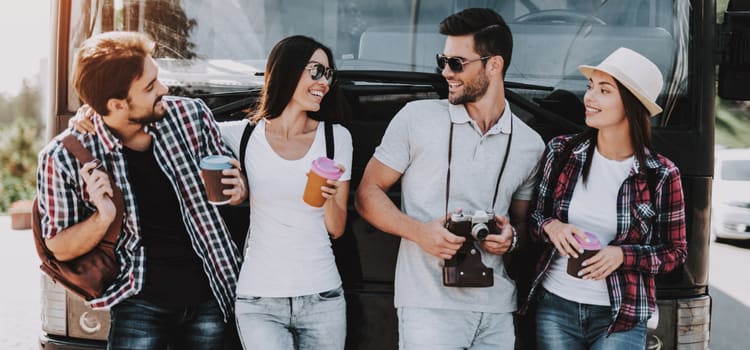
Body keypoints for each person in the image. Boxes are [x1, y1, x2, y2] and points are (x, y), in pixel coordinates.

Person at [37, 31, 245, 350]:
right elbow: (59, 248)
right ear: (117, 104)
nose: (164, 89)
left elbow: (233, 183)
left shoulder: (192, 116)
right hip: (139, 302)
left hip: (213, 293)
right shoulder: (63, 158)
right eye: (150, 87)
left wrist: (239, 190)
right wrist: (102, 217)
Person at [355, 8, 544, 349]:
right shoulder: (416, 118)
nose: (446, 72)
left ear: (494, 65)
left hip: (498, 309)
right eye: (443, 60)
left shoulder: (530, 144)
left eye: (457, 63)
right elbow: (367, 194)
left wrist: (510, 239)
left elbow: (523, 225)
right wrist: (421, 233)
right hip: (429, 308)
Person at [523, 47, 688, 349]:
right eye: (589, 87)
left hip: (622, 316)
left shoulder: (661, 174)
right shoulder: (561, 153)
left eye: (604, 90)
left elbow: (675, 253)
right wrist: (552, 227)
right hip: (556, 307)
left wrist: (622, 256)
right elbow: (533, 219)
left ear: (631, 103)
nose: (589, 98)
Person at [219, 35, 352, 349]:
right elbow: (178, 122)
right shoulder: (244, 135)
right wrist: (90, 116)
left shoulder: (336, 138)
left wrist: (331, 197)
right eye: (316, 71)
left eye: (328, 74)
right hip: (259, 300)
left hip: (322, 298)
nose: (324, 82)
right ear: (287, 71)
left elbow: (337, 228)